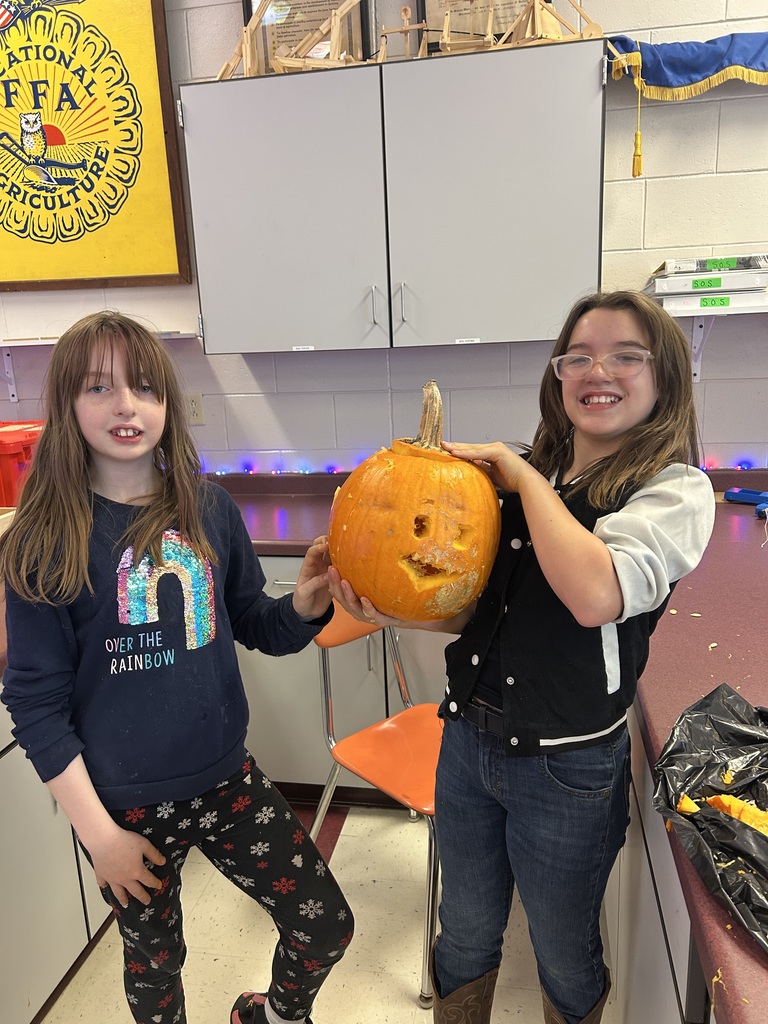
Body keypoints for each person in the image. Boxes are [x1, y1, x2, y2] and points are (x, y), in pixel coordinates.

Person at [328, 290, 715, 1024]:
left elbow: (596, 593)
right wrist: (395, 607)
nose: (598, 370)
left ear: (664, 376)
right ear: (558, 374)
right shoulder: (526, 476)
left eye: (626, 355)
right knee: (465, 929)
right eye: (579, 356)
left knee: (563, 948)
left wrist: (522, 476)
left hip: (567, 767)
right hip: (469, 740)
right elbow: (488, 614)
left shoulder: (674, 491)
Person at [0, 312, 353, 1024]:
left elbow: (259, 625)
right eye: (99, 388)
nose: (126, 405)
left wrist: (308, 603)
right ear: (67, 405)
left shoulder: (210, 508)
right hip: (122, 810)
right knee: (156, 970)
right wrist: (102, 839)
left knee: (326, 924)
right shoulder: (42, 542)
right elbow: (36, 707)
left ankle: (275, 1015)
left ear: (169, 404)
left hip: (227, 782)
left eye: (144, 388)